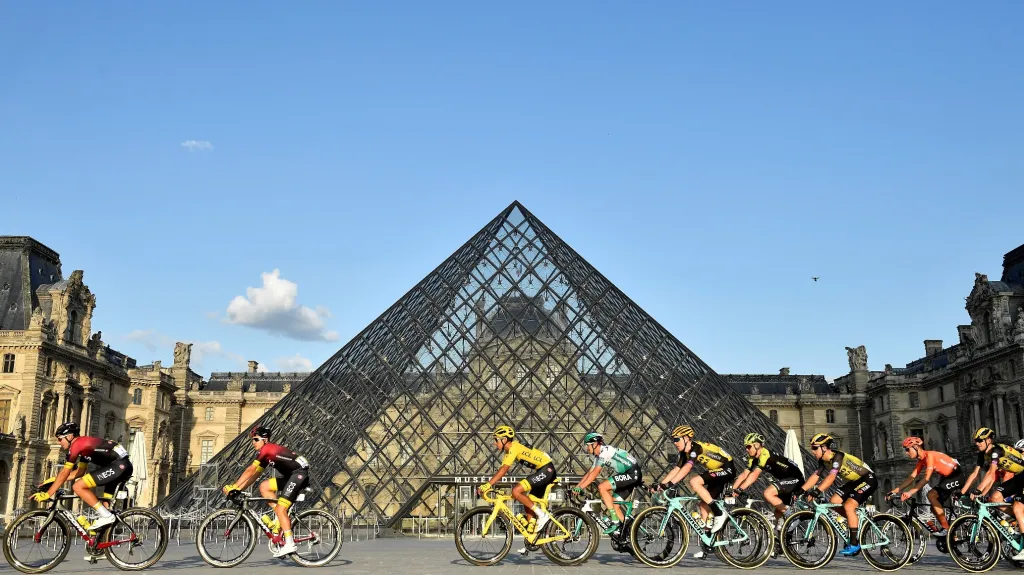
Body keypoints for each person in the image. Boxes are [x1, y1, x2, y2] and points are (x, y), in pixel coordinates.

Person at [222, 426, 310, 558]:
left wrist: (234, 486)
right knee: (264, 486)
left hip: (298, 474)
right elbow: (254, 475)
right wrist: (239, 489)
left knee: (281, 509)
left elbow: (251, 469)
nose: (253, 442)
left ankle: (290, 544)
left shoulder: (267, 449)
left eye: (256, 439)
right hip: (291, 475)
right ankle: (279, 521)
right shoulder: (266, 455)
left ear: (265, 439)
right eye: (253, 440)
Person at [31, 422, 133, 532]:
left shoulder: (77, 445)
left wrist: (48, 493)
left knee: (78, 487)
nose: (59, 443)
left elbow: (65, 472)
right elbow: (79, 473)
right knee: (105, 509)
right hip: (119, 467)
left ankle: (108, 517)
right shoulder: (85, 447)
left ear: (69, 436)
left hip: (119, 466)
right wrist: (53, 480)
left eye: (60, 439)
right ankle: (101, 542)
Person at [801, 433, 876, 557]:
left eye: (815, 448)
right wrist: (801, 490)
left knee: (848, 506)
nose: (813, 451)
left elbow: (831, 477)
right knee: (834, 501)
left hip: (868, 479)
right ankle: (853, 519)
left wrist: (817, 491)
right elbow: (816, 476)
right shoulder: (822, 460)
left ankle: (854, 543)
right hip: (854, 481)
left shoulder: (837, 456)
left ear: (824, 447)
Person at [655, 424, 734, 535]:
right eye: (673, 439)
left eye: (677, 439)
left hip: (727, 469)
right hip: (717, 474)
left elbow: (687, 467)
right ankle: (708, 543)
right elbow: (676, 469)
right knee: (703, 505)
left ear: (686, 438)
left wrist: (671, 483)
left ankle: (719, 513)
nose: (674, 442)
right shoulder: (685, 452)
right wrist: (661, 484)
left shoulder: (695, 448)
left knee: (694, 481)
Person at [478, 426, 555, 536]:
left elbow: (504, 469)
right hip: (543, 470)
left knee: (516, 491)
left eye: (496, 440)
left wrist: (488, 484)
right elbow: (502, 468)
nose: (495, 443)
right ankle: (532, 539)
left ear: (504, 440)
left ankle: (542, 515)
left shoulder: (513, 448)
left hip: (546, 470)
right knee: (526, 500)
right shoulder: (510, 450)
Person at [962, 427, 1024, 560]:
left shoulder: (996, 450)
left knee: (1018, 506)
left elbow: (991, 474)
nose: (977, 443)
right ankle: (1020, 522)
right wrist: (963, 492)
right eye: (975, 441)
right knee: (995, 498)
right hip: (1019, 476)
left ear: (989, 440)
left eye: (980, 440)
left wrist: (978, 490)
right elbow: (975, 473)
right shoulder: (983, 454)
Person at [888, 436, 963, 537]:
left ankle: (946, 530)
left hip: (956, 475)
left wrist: (910, 492)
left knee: (931, 495)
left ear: (915, 447)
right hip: (947, 478)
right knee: (933, 508)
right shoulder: (921, 461)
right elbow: (911, 478)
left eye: (907, 449)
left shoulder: (929, 456)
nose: (906, 452)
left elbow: (926, 479)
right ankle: (952, 537)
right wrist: (894, 491)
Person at [573, 431, 642, 537]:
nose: (587, 449)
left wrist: (581, 487)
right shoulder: (599, 456)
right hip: (630, 474)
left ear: (594, 444)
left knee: (602, 487)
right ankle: (628, 533)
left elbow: (595, 474)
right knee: (615, 505)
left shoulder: (605, 452)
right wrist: (577, 487)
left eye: (587, 446)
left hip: (632, 473)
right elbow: (589, 473)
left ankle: (614, 521)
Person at [730, 432, 804, 530]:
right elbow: (744, 474)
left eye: (748, 447)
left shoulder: (765, 454)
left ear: (757, 445)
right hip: (784, 480)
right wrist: (733, 489)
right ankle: (782, 541)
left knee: (768, 493)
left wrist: (740, 489)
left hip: (795, 478)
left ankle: (792, 517)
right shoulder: (753, 458)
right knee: (778, 514)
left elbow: (754, 475)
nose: (746, 450)